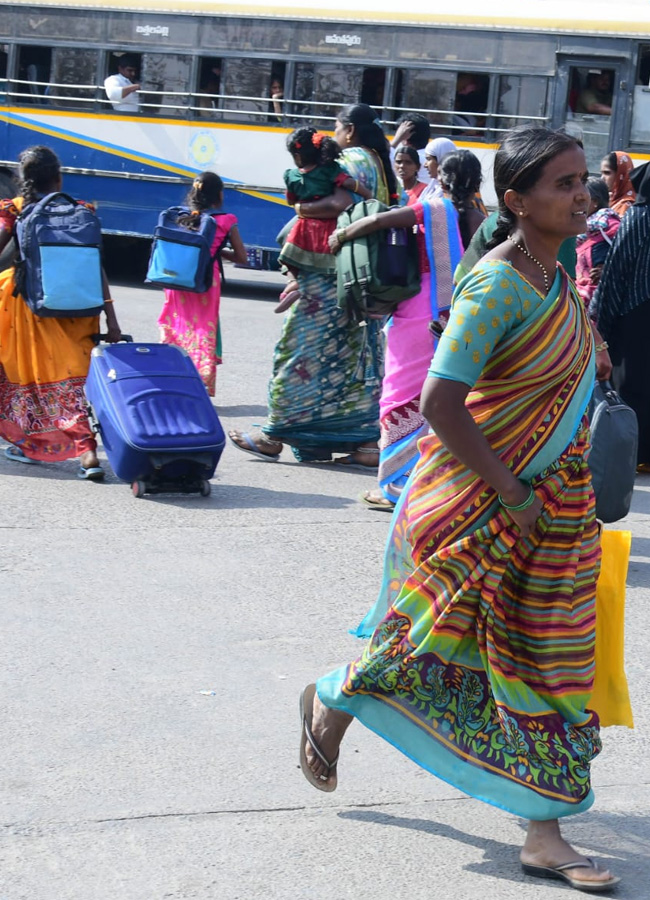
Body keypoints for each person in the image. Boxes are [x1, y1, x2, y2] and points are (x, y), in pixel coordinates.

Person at [300, 125, 620, 894]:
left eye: (584, 181)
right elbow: (440, 399)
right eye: (564, 185)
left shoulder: (556, 274)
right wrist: (510, 493)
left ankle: (543, 832)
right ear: (516, 200)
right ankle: (338, 693)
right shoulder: (497, 283)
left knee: (549, 663)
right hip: (487, 508)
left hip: (555, 514)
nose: (583, 196)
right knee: (426, 649)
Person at [229, 103, 399, 467]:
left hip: (328, 274)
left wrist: (300, 212)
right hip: (357, 275)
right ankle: (359, 441)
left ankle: (274, 434)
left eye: (337, 128)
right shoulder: (378, 163)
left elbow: (337, 203)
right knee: (354, 358)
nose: (334, 136)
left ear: (349, 130)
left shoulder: (350, 158)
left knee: (298, 351)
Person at [329, 149, 483, 511]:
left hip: (418, 311)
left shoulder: (432, 209)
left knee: (398, 394)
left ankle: (395, 485)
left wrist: (343, 234)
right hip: (457, 314)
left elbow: (380, 222)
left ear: (441, 179)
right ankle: (430, 482)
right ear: (476, 183)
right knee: (441, 396)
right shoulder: (479, 217)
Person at [0, 145, 122, 478]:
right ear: (59, 177)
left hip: (30, 307)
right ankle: (86, 453)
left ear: (22, 179)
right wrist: (111, 318)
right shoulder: (81, 209)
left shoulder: (15, 209)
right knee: (72, 382)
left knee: (34, 378)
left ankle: (63, 448)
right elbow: (98, 269)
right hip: (80, 309)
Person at [157, 172, 247, 397]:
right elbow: (242, 257)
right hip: (206, 280)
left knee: (177, 325)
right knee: (201, 327)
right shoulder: (226, 220)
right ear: (219, 195)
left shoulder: (180, 216)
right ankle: (199, 382)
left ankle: (172, 377)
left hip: (176, 280)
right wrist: (215, 251)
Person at [590, 161, 650, 469]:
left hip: (633, 316)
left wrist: (602, 321)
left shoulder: (637, 217)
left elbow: (615, 274)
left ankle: (633, 455)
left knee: (630, 385)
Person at [277, 127, 372, 277]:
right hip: (329, 225)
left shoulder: (291, 176)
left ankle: (294, 282)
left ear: (297, 157)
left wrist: (297, 202)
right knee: (328, 265)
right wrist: (367, 194)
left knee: (291, 260)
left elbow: (290, 200)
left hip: (303, 227)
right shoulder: (329, 169)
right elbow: (347, 183)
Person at [575, 176, 620, 308]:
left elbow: (598, 274)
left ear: (594, 202)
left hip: (597, 302)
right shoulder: (588, 229)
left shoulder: (603, 228)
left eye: (581, 200)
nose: (577, 204)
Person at [390, 112, 431, 183]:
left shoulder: (404, 158)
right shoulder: (432, 159)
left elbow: (380, 158)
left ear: (406, 136)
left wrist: (397, 138)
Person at [600, 151, 636, 217]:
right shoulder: (611, 198)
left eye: (607, 173)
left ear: (620, 174)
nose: (602, 178)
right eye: (601, 173)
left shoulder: (627, 205)